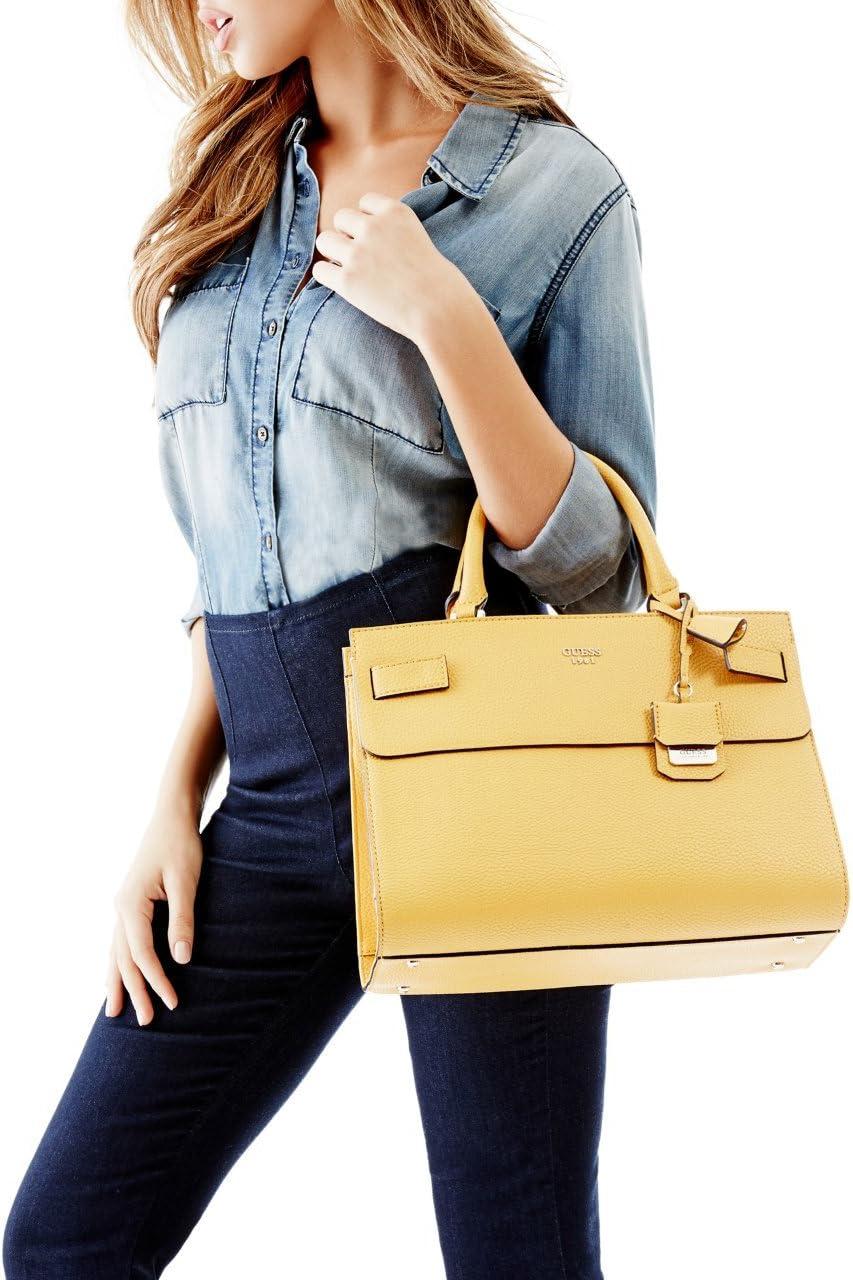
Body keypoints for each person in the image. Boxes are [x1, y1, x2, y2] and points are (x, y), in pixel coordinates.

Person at [2, 1, 657, 1276]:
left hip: (484, 810)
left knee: (515, 1254)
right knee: (67, 1235)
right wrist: (172, 801)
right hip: (274, 808)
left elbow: (605, 575)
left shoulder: (556, 192)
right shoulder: (235, 190)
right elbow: (232, 543)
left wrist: (445, 316)